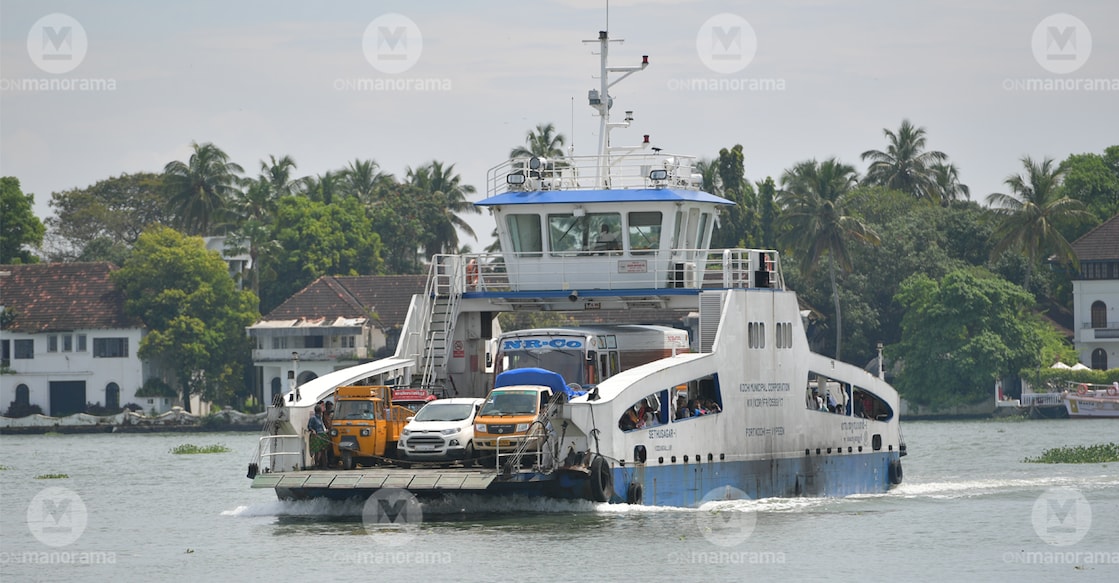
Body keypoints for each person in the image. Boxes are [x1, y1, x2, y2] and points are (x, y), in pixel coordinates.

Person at [307, 404, 328, 468]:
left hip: (322, 435)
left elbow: (322, 427)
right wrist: (313, 430)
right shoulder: (313, 418)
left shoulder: (320, 418)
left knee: (324, 450)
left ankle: (324, 465)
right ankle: (316, 465)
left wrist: (326, 430)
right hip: (316, 435)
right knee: (317, 451)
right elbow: (309, 427)